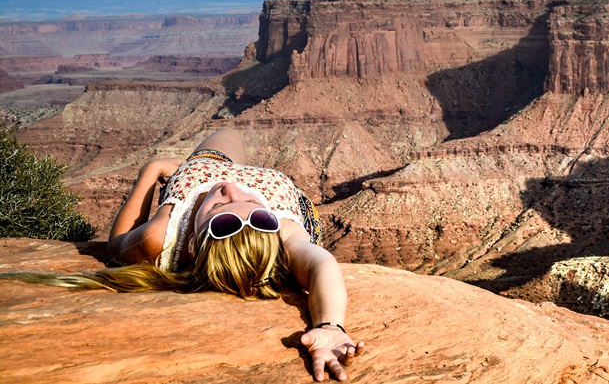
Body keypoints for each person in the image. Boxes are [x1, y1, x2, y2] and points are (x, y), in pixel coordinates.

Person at [4, 127, 363, 382]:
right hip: (270, 184)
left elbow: (115, 243)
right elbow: (321, 263)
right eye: (250, 205)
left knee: (226, 131)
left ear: (192, 242)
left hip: (201, 169)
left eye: (222, 206)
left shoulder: (162, 236)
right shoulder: (282, 233)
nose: (231, 188)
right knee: (231, 127)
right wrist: (330, 325)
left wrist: (153, 172)